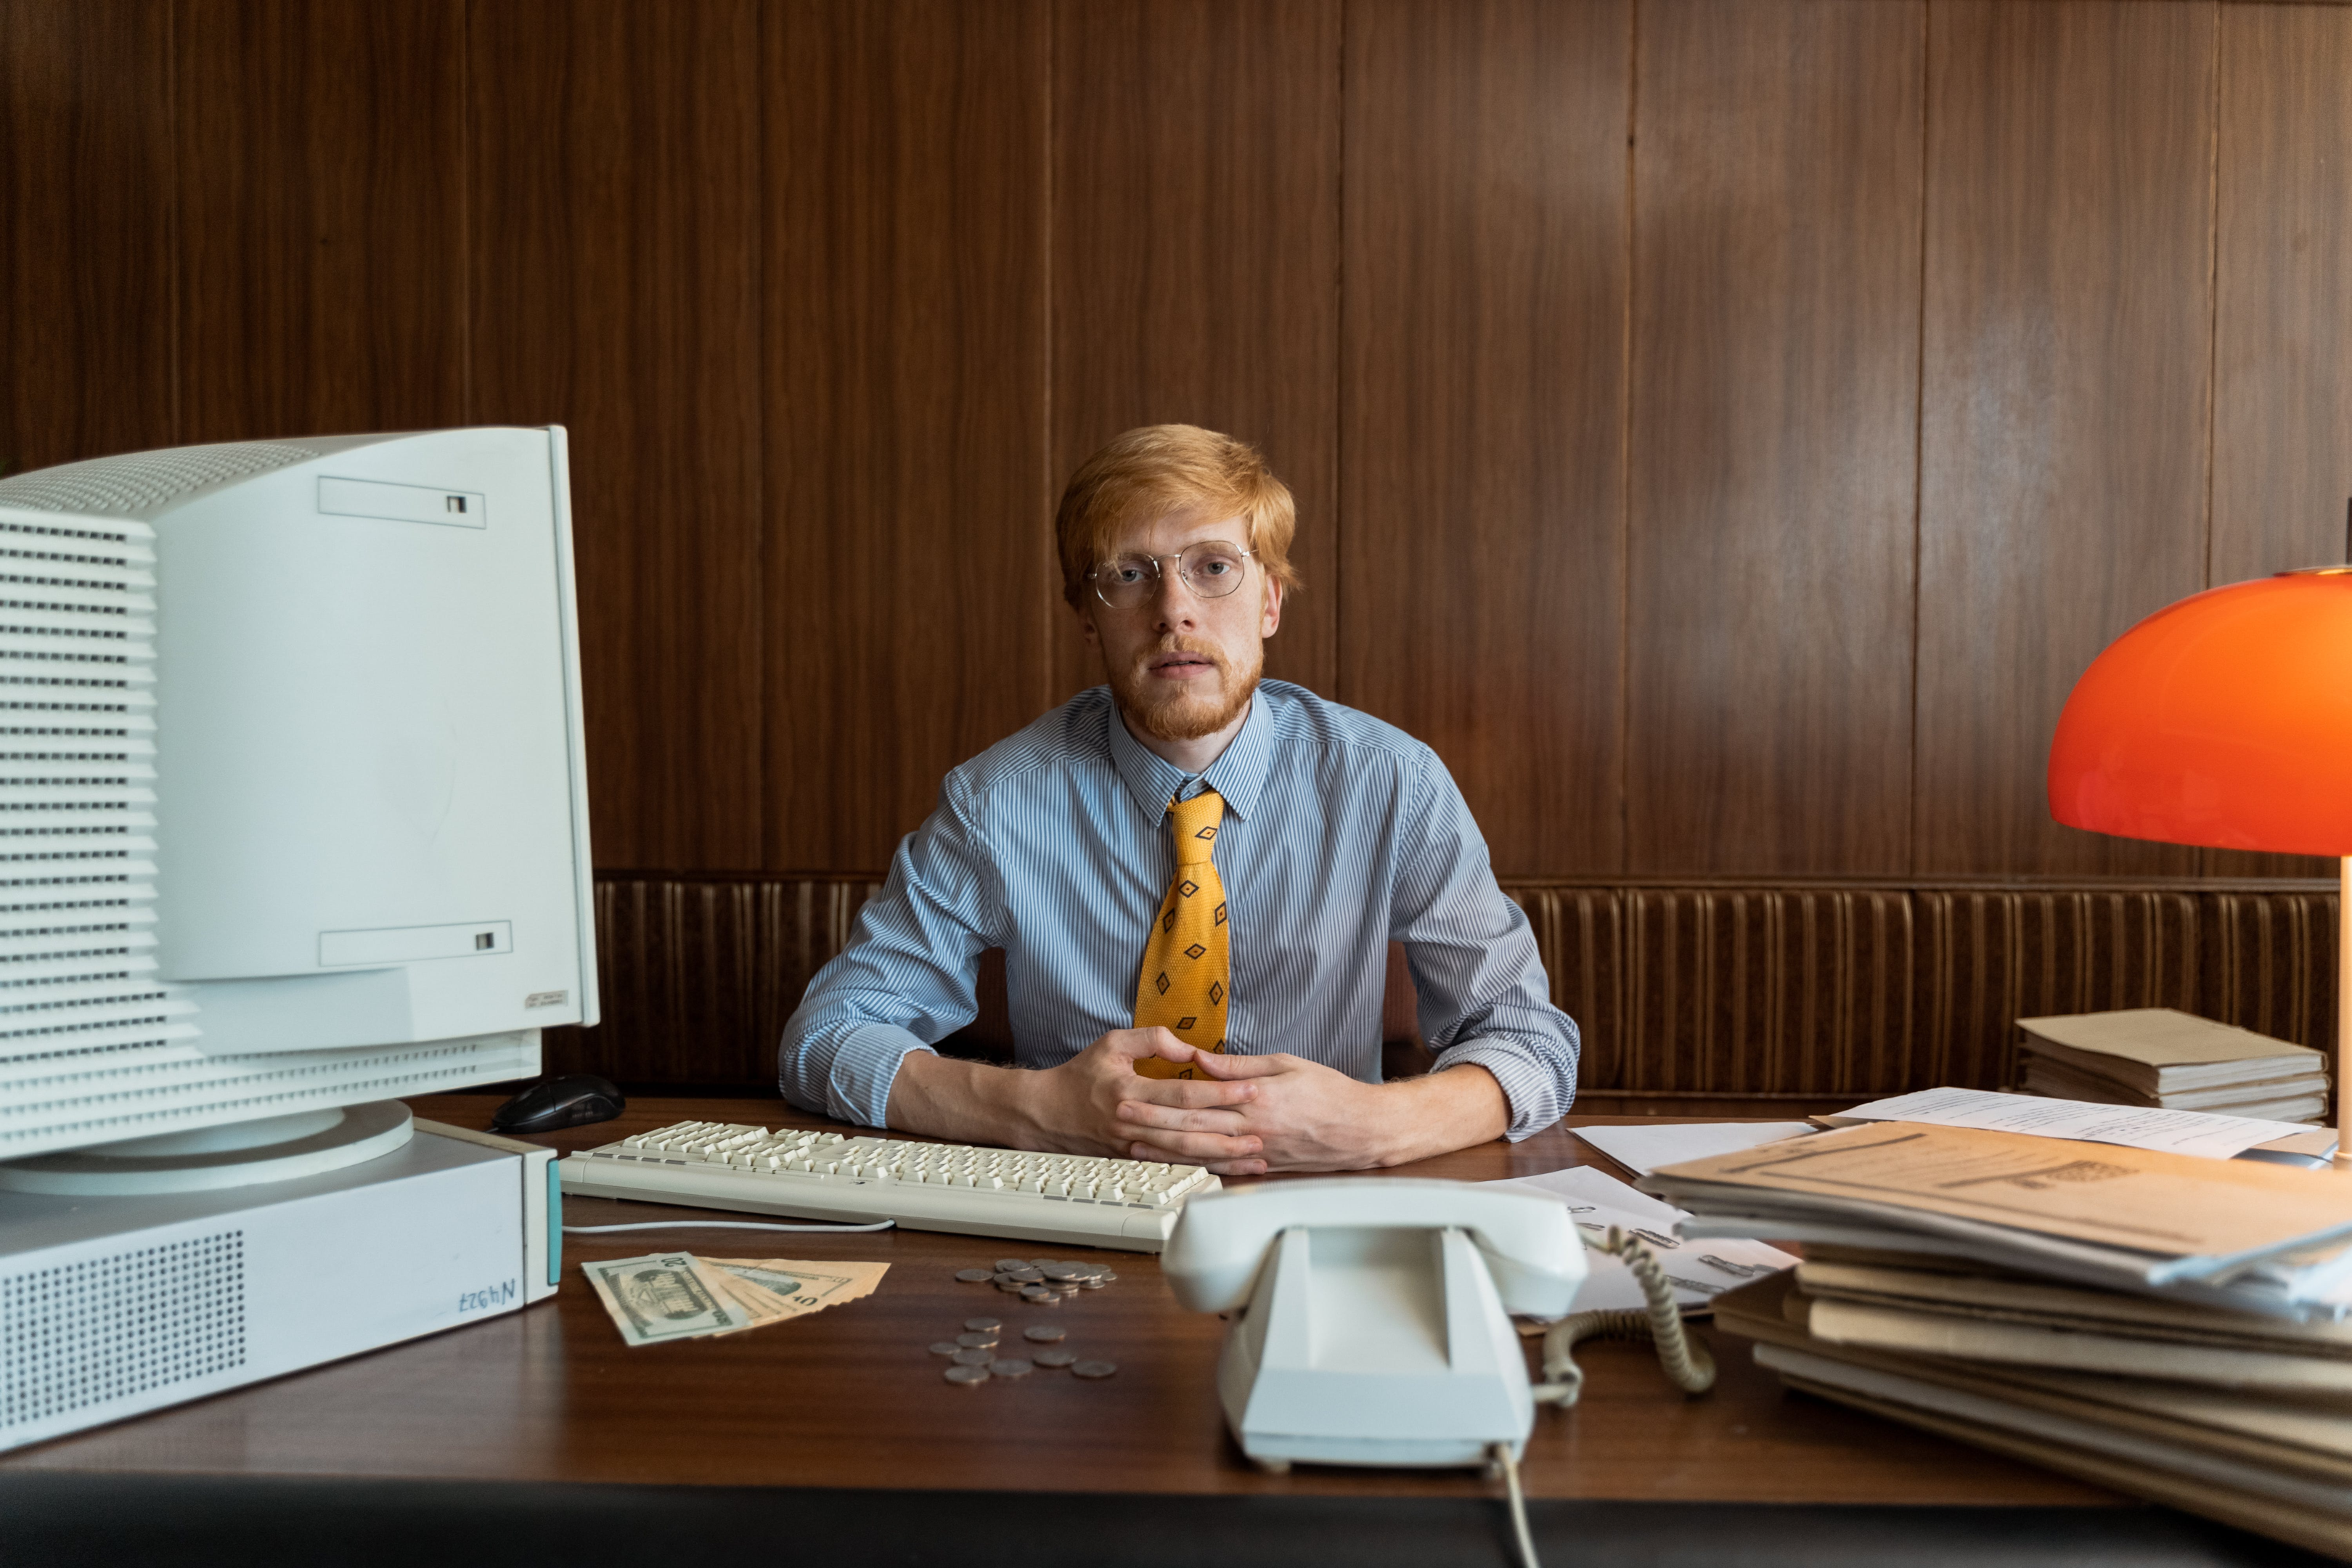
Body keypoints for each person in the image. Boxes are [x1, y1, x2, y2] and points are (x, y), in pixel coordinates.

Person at [780, 425, 1578, 1173]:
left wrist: (1370, 1126)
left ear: (1269, 601)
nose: (1174, 611)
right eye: (1129, 575)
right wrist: (1035, 1108)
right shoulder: (997, 802)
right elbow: (826, 1038)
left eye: (1213, 566)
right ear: (1090, 619)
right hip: (1078, 1217)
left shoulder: (1391, 782)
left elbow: (1529, 1043)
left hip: (1320, 1209)